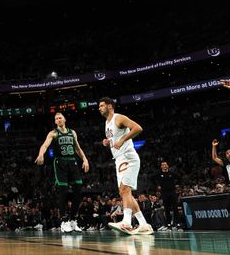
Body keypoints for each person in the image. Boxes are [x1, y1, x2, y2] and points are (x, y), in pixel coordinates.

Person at [98, 97, 153, 235]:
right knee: (124, 192)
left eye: (102, 105)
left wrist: (122, 139)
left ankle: (127, 222)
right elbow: (114, 139)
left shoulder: (119, 118)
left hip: (128, 157)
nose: (99, 108)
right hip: (118, 159)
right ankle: (144, 224)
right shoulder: (107, 122)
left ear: (110, 106)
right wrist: (107, 141)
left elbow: (138, 128)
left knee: (124, 190)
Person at [35, 112, 90, 233]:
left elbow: (78, 148)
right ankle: (64, 221)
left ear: (64, 119)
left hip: (72, 162)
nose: (58, 119)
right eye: (56, 118)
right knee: (63, 191)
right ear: (55, 122)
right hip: (60, 163)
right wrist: (41, 154)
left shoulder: (72, 132)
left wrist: (85, 159)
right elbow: (44, 145)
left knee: (78, 190)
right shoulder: (53, 133)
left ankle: (73, 219)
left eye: (60, 117)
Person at [155, 161, 179, 230]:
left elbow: (179, 177)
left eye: (165, 165)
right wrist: (157, 185)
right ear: (161, 167)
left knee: (175, 208)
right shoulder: (159, 174)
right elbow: (151, 178)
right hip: (164, 193)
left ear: (168, 166)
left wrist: (176, 185)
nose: (164, 166)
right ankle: (168, 225)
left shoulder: (171, 173)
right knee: (167, 209)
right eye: (163, 165)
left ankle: (178, 224)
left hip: (172, 192)